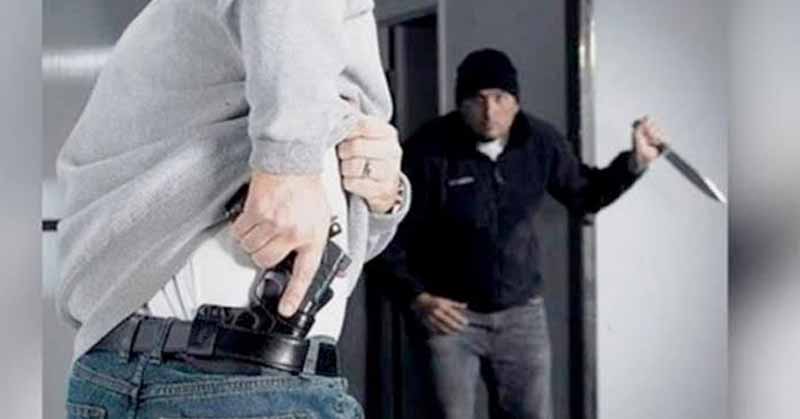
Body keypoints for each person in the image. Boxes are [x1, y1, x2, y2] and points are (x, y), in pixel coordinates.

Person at [56, 1, 409, 418]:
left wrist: (382, 200)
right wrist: (289, 165)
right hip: (223, 377)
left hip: (188, 373)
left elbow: (310, 229)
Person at [378, 48, 665, 419]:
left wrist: (635, 162)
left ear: (516, 102)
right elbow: (385, 232)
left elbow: (586, 194)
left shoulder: (539, 141)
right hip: (450, 318)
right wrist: (417, 297)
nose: (490, 111)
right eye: (477, 100)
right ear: (461, 104)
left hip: (521, 316)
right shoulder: (427, 148)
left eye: (500, 98)